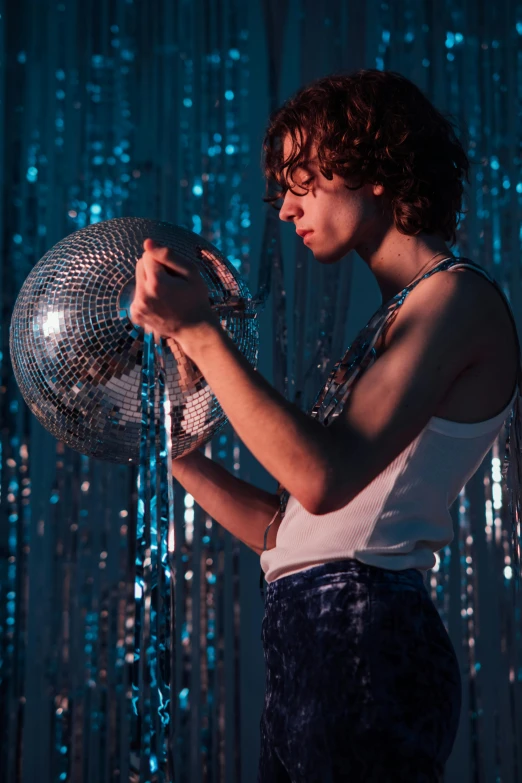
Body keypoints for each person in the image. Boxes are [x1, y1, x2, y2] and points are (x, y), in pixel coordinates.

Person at [130, 69, 521, 782]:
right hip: (309, 647)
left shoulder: (457, 300)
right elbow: (285, 529)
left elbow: (320, 476)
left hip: (366, 645)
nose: (283, 209)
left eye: (300, 179)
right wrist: (177, 441)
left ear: (375, 167)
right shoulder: (394, 319)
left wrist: (203, 332)